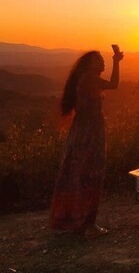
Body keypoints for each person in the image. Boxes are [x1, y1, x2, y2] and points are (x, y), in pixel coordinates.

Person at [49, 45, 124, 239]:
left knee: (77, 176)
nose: (102, 61)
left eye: (103, 59)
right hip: (90, 134)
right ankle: (88, 225)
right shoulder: (90, 79)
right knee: (91, 176)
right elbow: (115, 84)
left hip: (82, 132)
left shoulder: (84, 79)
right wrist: (116, 62)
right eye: (98, 59)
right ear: (90, 64)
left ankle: (75, 222)